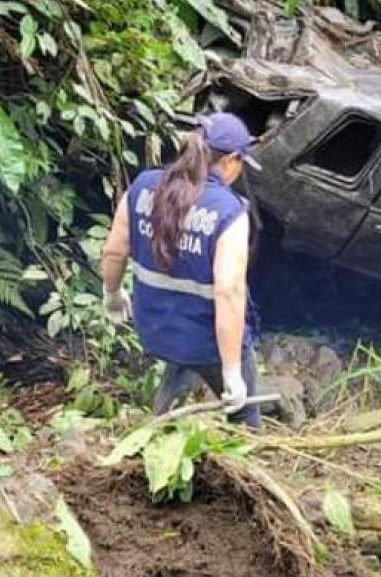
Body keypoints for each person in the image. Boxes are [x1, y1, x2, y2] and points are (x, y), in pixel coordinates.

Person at [98, 112, 263, 428]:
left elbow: (115, 250)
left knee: (185, 355)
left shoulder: (143, 187)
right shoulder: (228, 211)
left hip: (157, 329)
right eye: (241, 163)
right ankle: (248, 453)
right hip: (206, 339)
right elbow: (228, 292)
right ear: (229, 160)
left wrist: (112, 296)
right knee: (244, 414)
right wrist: (232, 372)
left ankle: (161, 422)